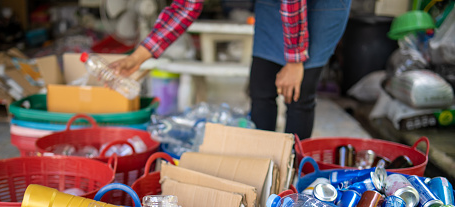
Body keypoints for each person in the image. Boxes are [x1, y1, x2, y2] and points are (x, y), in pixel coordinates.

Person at [110, 0, 352, 140]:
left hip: (323, 6)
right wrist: (138, 57)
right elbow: (185, 7)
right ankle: (263, 165)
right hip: (276, 6)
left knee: (298, 92)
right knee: (260, 88)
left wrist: (295, 61)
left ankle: (295, 177)